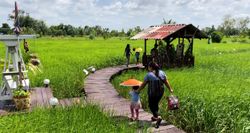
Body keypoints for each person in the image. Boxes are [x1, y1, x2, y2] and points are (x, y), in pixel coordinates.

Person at [137, 62, 173, 128]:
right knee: (155, 104)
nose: (148, 68)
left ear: (151, 67)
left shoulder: (149, 75)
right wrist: (170, 89)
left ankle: (158, 116)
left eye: (148, 67)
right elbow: (166, 82)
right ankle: (155, 117)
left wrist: (138, 90)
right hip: (160, 92)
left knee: (151, 105)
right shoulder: (162, 72)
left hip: (152, 93)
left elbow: (143, 85)